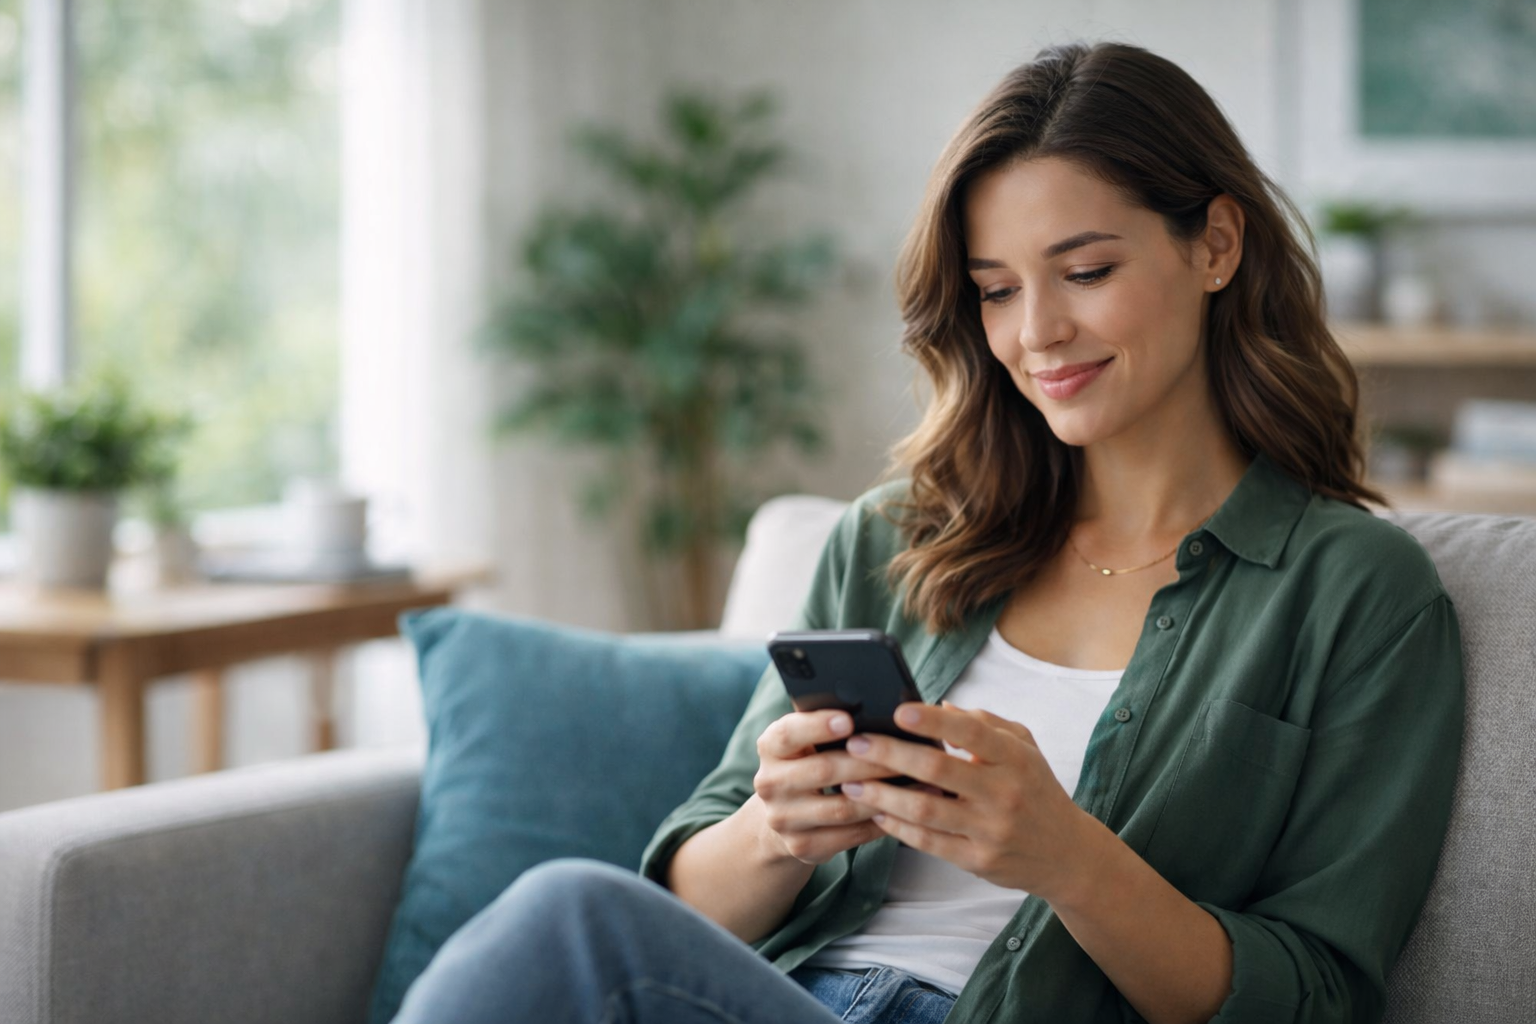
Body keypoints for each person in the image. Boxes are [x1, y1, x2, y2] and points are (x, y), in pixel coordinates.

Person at [392, 39, 1463, 1024]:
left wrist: (1067, 858)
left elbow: (1320, 997)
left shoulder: (1354, 590)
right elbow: (683, 911)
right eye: (996, 291)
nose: (1037, 331)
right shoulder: (897, 540)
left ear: (1217, 243)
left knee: (570, 918)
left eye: (1085, 272)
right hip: (778, 997)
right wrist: (779, 824)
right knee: (581, 926)